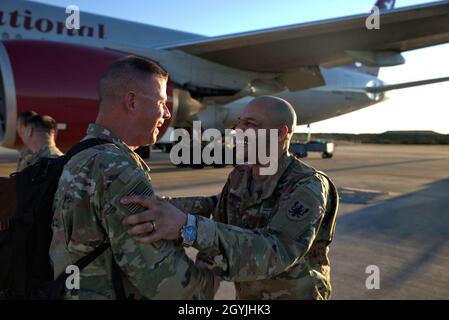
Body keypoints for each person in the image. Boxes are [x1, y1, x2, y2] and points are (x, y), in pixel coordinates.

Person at [121, 96, 339, 300]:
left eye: (251, 125)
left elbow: (277, 251)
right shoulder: (241, 174)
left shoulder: (308, 186)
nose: (238, 132)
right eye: (239, 123)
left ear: (280, 134)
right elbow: (219, 210)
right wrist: (159, 206)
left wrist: (188, 226)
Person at [50, 56, 215, 300]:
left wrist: (209, 204)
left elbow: (131, 209)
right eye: (161, 101)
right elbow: (170, 286)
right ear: (132, 101)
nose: (168, 113)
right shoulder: (117, 170)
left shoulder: (81, 154)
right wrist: (210, 264)